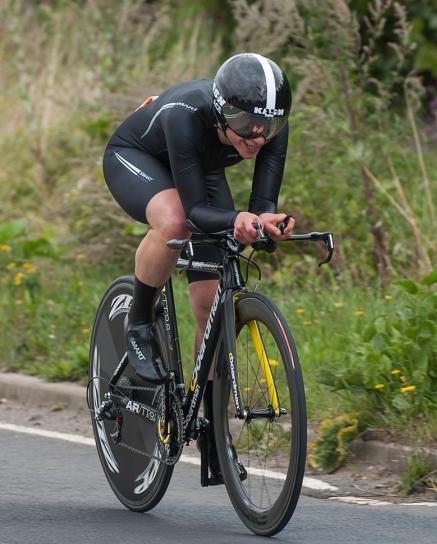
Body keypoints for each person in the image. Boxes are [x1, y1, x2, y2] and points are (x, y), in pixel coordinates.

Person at [103, 52, 295, 483]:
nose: (258, 136)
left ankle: (212, 437)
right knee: (175, 220)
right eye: (246, 124)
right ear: (224, 111)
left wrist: (266, 222)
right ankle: (138, 326)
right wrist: (234, 220)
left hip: (199, 166)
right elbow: (195, 212)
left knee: (210, 305)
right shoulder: (186, 115)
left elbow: (262, 205)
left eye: (270, 125)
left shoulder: (267, 129)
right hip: (138, 158)